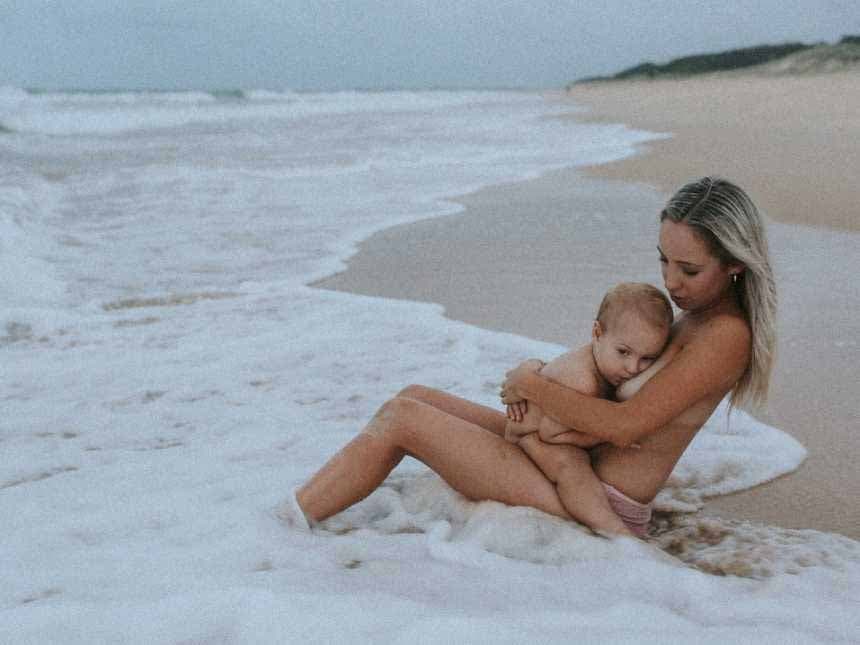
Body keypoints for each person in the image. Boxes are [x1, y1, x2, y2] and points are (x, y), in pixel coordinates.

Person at [282, 177, 776, 543]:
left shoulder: (725, 335)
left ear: (735, 264)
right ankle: (306, 509)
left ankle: (281, 532)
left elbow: (628, 426)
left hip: (591, 497)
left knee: (402, 420)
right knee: (414, 396)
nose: (671, 281)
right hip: (560, 458)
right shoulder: (693, 317)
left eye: (688, 268)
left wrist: (532, 382)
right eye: (663, 260)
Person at [504, 282, 672, 537]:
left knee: (576, 459)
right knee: (571, 467)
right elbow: (551, 434)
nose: (633, 368)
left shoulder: (603, 363)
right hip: (529, 436)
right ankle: (610, 528)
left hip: (550, 426)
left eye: (647, 358)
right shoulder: (584, 381)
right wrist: (607, 434)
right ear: (597, 333)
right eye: (624, 352)